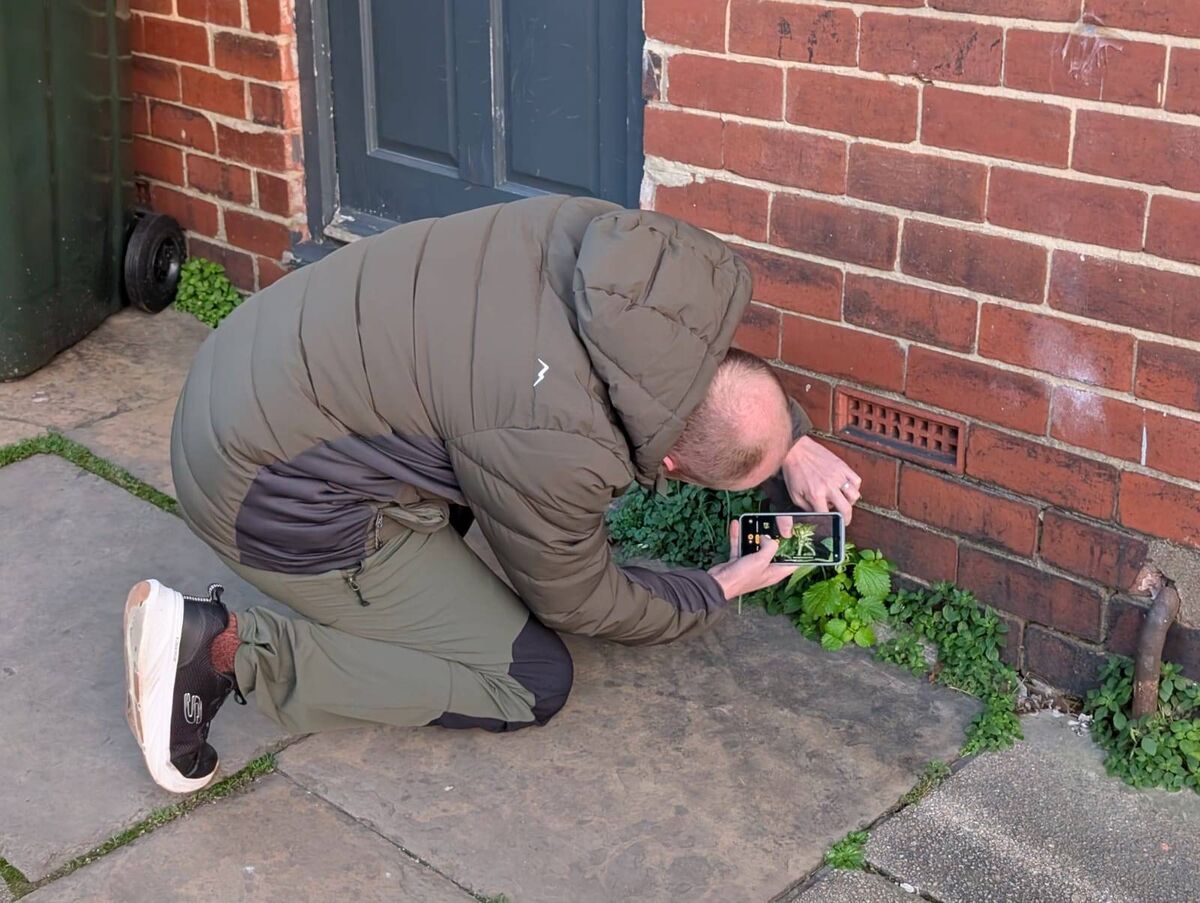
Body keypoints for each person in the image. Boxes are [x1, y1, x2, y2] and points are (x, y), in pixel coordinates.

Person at [122, 196, 862, 794]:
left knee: (470, 477)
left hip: (248, 362)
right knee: (528, 678)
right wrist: (717, 585)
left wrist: (790, 438)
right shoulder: (555, 439)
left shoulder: (638, 259)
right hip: (257, 488)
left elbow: (710, 375)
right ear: (672, 458)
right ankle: (219, 652)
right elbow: (578, 598)